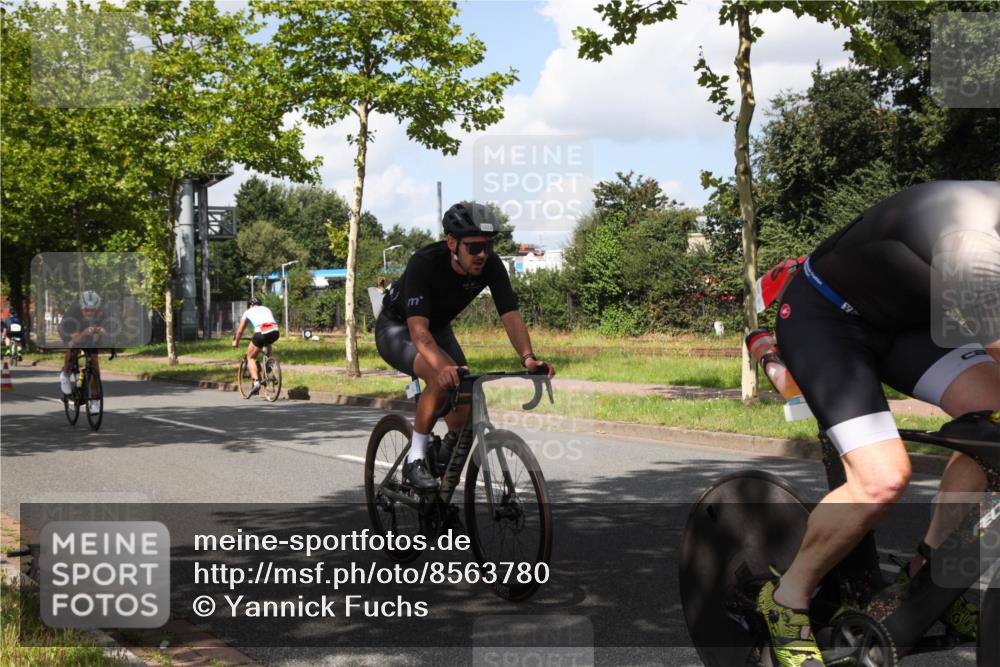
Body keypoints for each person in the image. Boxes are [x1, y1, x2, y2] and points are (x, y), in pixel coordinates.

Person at [758, 180, 1000, 667]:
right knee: (882, 478)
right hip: (826, 319)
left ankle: (927, 575)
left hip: (910, 325)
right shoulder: (974, 240)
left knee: (994, 426)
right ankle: (786, 598)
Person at [375, 202, 555, 491]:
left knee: (462, 416)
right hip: (399, 329)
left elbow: (510, 313)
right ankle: (416, 458)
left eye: (487, 246)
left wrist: (529, 359)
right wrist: (442, 367)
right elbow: (419, 331)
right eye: (473, 247)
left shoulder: (491, 265)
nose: (482, 254)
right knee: (439, 376)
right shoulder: (425, 262)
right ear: (451, 243)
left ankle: (439, 489)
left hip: (439, 330)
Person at [58, 290, 107, 414]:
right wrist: (84, 334)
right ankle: (65, 374)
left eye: (93, 310)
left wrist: (102, 334)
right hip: (72, 329)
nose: (90, 313)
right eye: (86, 310)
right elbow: (76, 339)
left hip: (90, 330)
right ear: (81, 307)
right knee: (73, 347)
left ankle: (95, 401)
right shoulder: (72, 313)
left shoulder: (103, 313)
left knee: (94, 361)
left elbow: (109, 332)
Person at [231, 297, 280, 397]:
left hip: (260, 332)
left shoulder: (248, 311)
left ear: (250, 305)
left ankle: (257, 382)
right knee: (266, 344)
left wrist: (236, 341)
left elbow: (240, 330)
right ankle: (268, 367)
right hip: (275, 331)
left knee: (250, 357)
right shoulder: (266, 309)